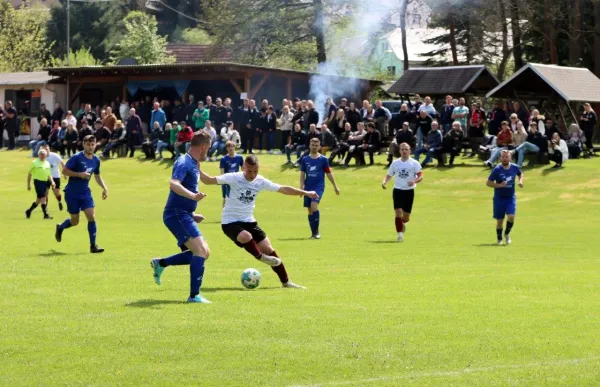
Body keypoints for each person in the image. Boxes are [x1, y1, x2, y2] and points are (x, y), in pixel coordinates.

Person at [200, 154, 318, 289]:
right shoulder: (233, 177)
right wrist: (196, 166)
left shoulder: (260, 181)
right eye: (249, 171)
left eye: (255, 171)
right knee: (246, 236)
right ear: (243, 167)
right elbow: (208, 180)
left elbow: (283, 189)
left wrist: (306, 192)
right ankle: (259, 257)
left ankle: (286, 282)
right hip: (230, 222)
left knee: (270, 250)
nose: (252, 174)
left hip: (249, 221)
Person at [149, 132, 212, 303]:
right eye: (209, 147)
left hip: (184, 214)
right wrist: (193, 196)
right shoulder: (185, 162)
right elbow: (174, 184)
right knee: (199, 251)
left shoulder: (194, 163)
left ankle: (160, 263)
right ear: (203, 145)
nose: (209, 150)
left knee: (204, 252)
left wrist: (192, 214)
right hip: (176, 214)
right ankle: (194, 296)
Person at [55, 135, 108, 254]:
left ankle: (93, 246)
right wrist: (79, 174)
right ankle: (60, 227)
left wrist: (104, 188)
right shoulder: (76, 158)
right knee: (75, 221)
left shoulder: (96, 160)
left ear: (95, 145)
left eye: (93, 144)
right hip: (72, 193)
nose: (90, 147)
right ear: (83, 144)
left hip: (85, 193)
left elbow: (97, 176)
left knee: (91, 216)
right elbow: (64, 171)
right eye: (88, 144)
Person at [381, 142, 423, 242]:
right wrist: (384, 182)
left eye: (406, 149)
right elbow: (389, 175)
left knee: (406, 217)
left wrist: (414, 181)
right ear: (399, 151)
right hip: (398, 190)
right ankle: (400, 235)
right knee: (398, 212)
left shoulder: (414, 163)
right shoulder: (395, 163)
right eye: (402, 149)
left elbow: (421, 176)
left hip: (409, 192)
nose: (404, 151)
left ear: (410, 151)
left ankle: (403, 223)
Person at [300, 137, 340, 239]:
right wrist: (301, 188)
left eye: (316, 145)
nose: (314, 147)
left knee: (314, 206)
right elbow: (302, 174)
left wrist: (335, 186)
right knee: (309, 210)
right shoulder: (305, 159)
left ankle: (317, 232)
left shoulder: (323, 160)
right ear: (309, 146)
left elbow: (329, 173)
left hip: (318, 187)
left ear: (319, 147)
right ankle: (313, 233)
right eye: (312, 145)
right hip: (308, 187)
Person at [486, 150, 523, 245]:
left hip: (510, 197)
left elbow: (520, 173)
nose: (505, 158)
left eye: (507, 157)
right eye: (503, 157)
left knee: (511, 216)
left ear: (510, 158)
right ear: (500, 158)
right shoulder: (497, 169)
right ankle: (499, 239)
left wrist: (520, 181)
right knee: (500, 221)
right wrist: (499, 185)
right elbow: (488, 183)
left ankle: (507, 234)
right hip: (499, 198)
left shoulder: (514, 167)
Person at [26, 149, 56, 219]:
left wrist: (52, 182)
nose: (42, 156)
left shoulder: (47, 163)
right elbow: (29, 174)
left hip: (45, 182)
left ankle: (29, 211)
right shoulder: (34, 163)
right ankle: (46, 215)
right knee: (43, 197)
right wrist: (28, 185)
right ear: (38, 155)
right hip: (37, 182)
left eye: (44, 155)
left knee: (38, 200)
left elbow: (49, 174)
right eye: (41, 154)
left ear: (46, 155)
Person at [219, 141, 244, 208]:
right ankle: (224, 214)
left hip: (236, 181)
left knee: (237, 198)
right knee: (225, 198)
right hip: (226, 181)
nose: (230, 148)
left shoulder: (239, 158)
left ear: (234, 147)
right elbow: (222, 173)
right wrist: (224, 181)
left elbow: (243, 170)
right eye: (228, 147)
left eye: (232, 146)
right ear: (227, 148)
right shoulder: (223, 159)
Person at [42, 144, 65, 211]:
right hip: (46, 177)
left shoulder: (55, 156)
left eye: (47, 149)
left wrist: (64, 174)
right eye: (44, 150)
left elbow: (62, 163)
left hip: (55, 176)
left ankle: (59, 202)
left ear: (49, 149)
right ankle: (45, 207)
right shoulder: (41, 157)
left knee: (56, 192)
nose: (45, 151)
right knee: (45, 192)